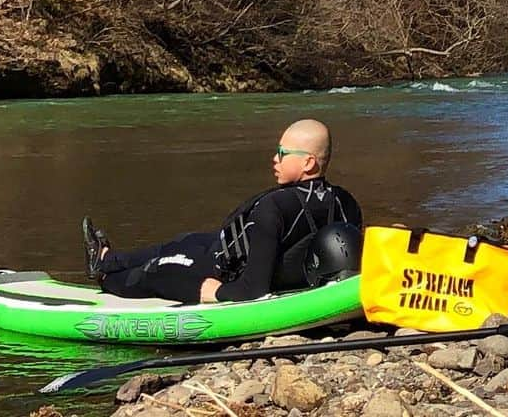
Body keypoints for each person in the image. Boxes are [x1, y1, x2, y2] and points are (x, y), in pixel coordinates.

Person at [82, 119, 362, 304]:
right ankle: (107, 258)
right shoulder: (347, 202)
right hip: (226, 248)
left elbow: (253, 291)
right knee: (185, 241)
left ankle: (106, 279)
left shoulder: (272, 208)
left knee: (156, 272)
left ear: (308, 164)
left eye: (282, 152)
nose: (274, 159)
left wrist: (213, 292)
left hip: (221, 270)